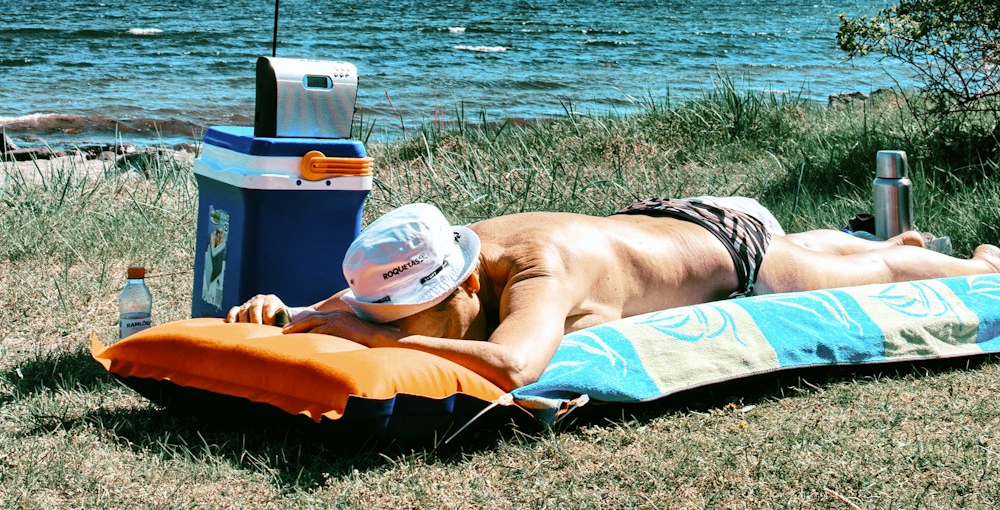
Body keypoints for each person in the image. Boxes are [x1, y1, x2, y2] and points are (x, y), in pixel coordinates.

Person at [226, 197, 1000, 390]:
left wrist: (388, 344)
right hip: (666, 219)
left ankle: (980, 263)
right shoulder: (441, 252)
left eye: (411, 317)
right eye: (387, 314)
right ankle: (882, 234)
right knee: (839, 248)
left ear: (463, 279)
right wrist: (289, 311)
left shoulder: (540, 272)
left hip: (735, 247)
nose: (386, 323)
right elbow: (362, 301)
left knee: (880, 278)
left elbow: (512, 363)